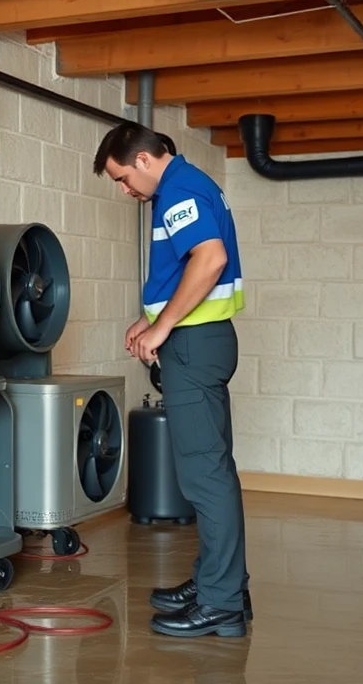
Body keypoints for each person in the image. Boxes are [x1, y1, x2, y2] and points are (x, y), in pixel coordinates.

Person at [92, 121, 251, 638]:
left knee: (205, 477)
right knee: (211, 471)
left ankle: (221, 602)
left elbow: (210, 260)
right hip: (201, 339)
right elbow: (188, 273)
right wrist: (153, 316)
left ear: (142, 160)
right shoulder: (190, 183)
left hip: (195, 347)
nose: (124, 191)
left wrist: (163, 326)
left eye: (121, 178)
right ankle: (218, 583)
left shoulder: (177, 190)